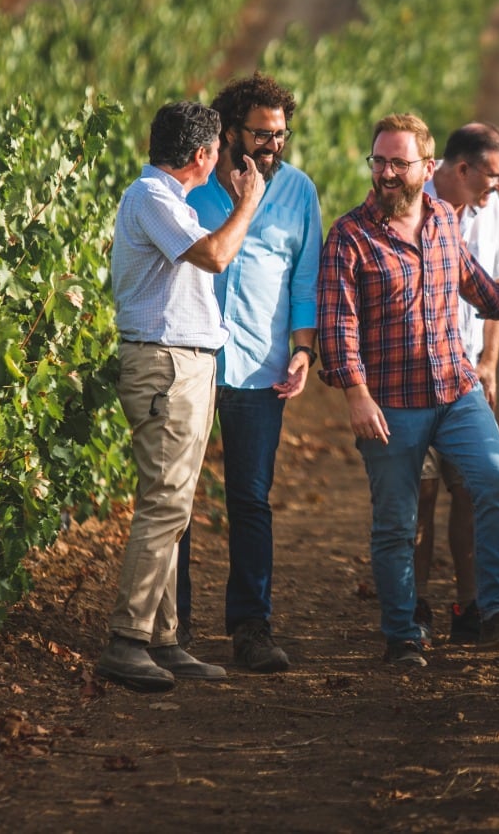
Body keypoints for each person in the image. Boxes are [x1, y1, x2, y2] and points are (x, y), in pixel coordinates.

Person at [317, 112, 499, 668]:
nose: (387, 173)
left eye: (399, 162)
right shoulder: (350, 236)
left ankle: (496, 612)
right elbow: (338, 324)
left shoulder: (443, 218)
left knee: (496, 481)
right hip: (392, 403)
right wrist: (355, 394)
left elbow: (470, 278)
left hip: (456, 388)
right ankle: (403, 634)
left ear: (427, 166)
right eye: (380, 161)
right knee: (397, 522)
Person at [96, 100, 265, 692]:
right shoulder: (152, 199)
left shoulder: (168, 203)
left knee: (173, 503)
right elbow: (217, 256)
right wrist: (248, 204)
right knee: (164, 503)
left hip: (181, 364)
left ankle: (164, 639)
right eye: (217, 150)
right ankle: (128, 639)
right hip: (165, 365)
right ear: (202, 155)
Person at [173, 73, 321, 673]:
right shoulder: (193, 187)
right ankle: (170, 625)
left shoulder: (300, 192)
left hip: (261, 366)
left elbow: (304, 277)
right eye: (261, 134)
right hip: (193, 360)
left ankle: (251, 627)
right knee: (177, 496)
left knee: (250, 499)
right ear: (230, 131)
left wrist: (304, 348)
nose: (273, 145)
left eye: (281, 134)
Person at [413, 123, 499, 644]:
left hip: (464, 375)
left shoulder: (487, 207)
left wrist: (491, 362)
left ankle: (471, 606)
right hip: (408, 378)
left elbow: (497, 282)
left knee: (474, 488)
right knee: (419, 495)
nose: (498, 187)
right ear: (460, 169)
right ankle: (414, 607)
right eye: (493, 176)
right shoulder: (411, 200)